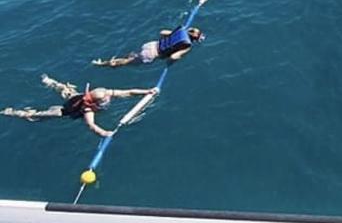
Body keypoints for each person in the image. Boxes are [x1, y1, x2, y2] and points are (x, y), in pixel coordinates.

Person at [1, 75, 156, 137]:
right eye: (104, 101)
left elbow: (128, 92)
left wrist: (147, 91)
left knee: (67, 90)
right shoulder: (89, 110)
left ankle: (48, 81)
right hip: (66, 111)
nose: (108, 99)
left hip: (75, 98)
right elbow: (91, 125)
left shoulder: (103, 92)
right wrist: (105, 133)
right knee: (38, 116)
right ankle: (13, 113)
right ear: (96, 102)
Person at [92, 27, 203, 67]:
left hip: (151, 45)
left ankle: (122, 59)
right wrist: (172, 62)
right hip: (152, 54)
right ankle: (103, 64)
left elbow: (163, 32)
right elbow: (173, 57)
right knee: (126, 63)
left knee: (133, 57)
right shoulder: (187, 45)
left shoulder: (181, 31)